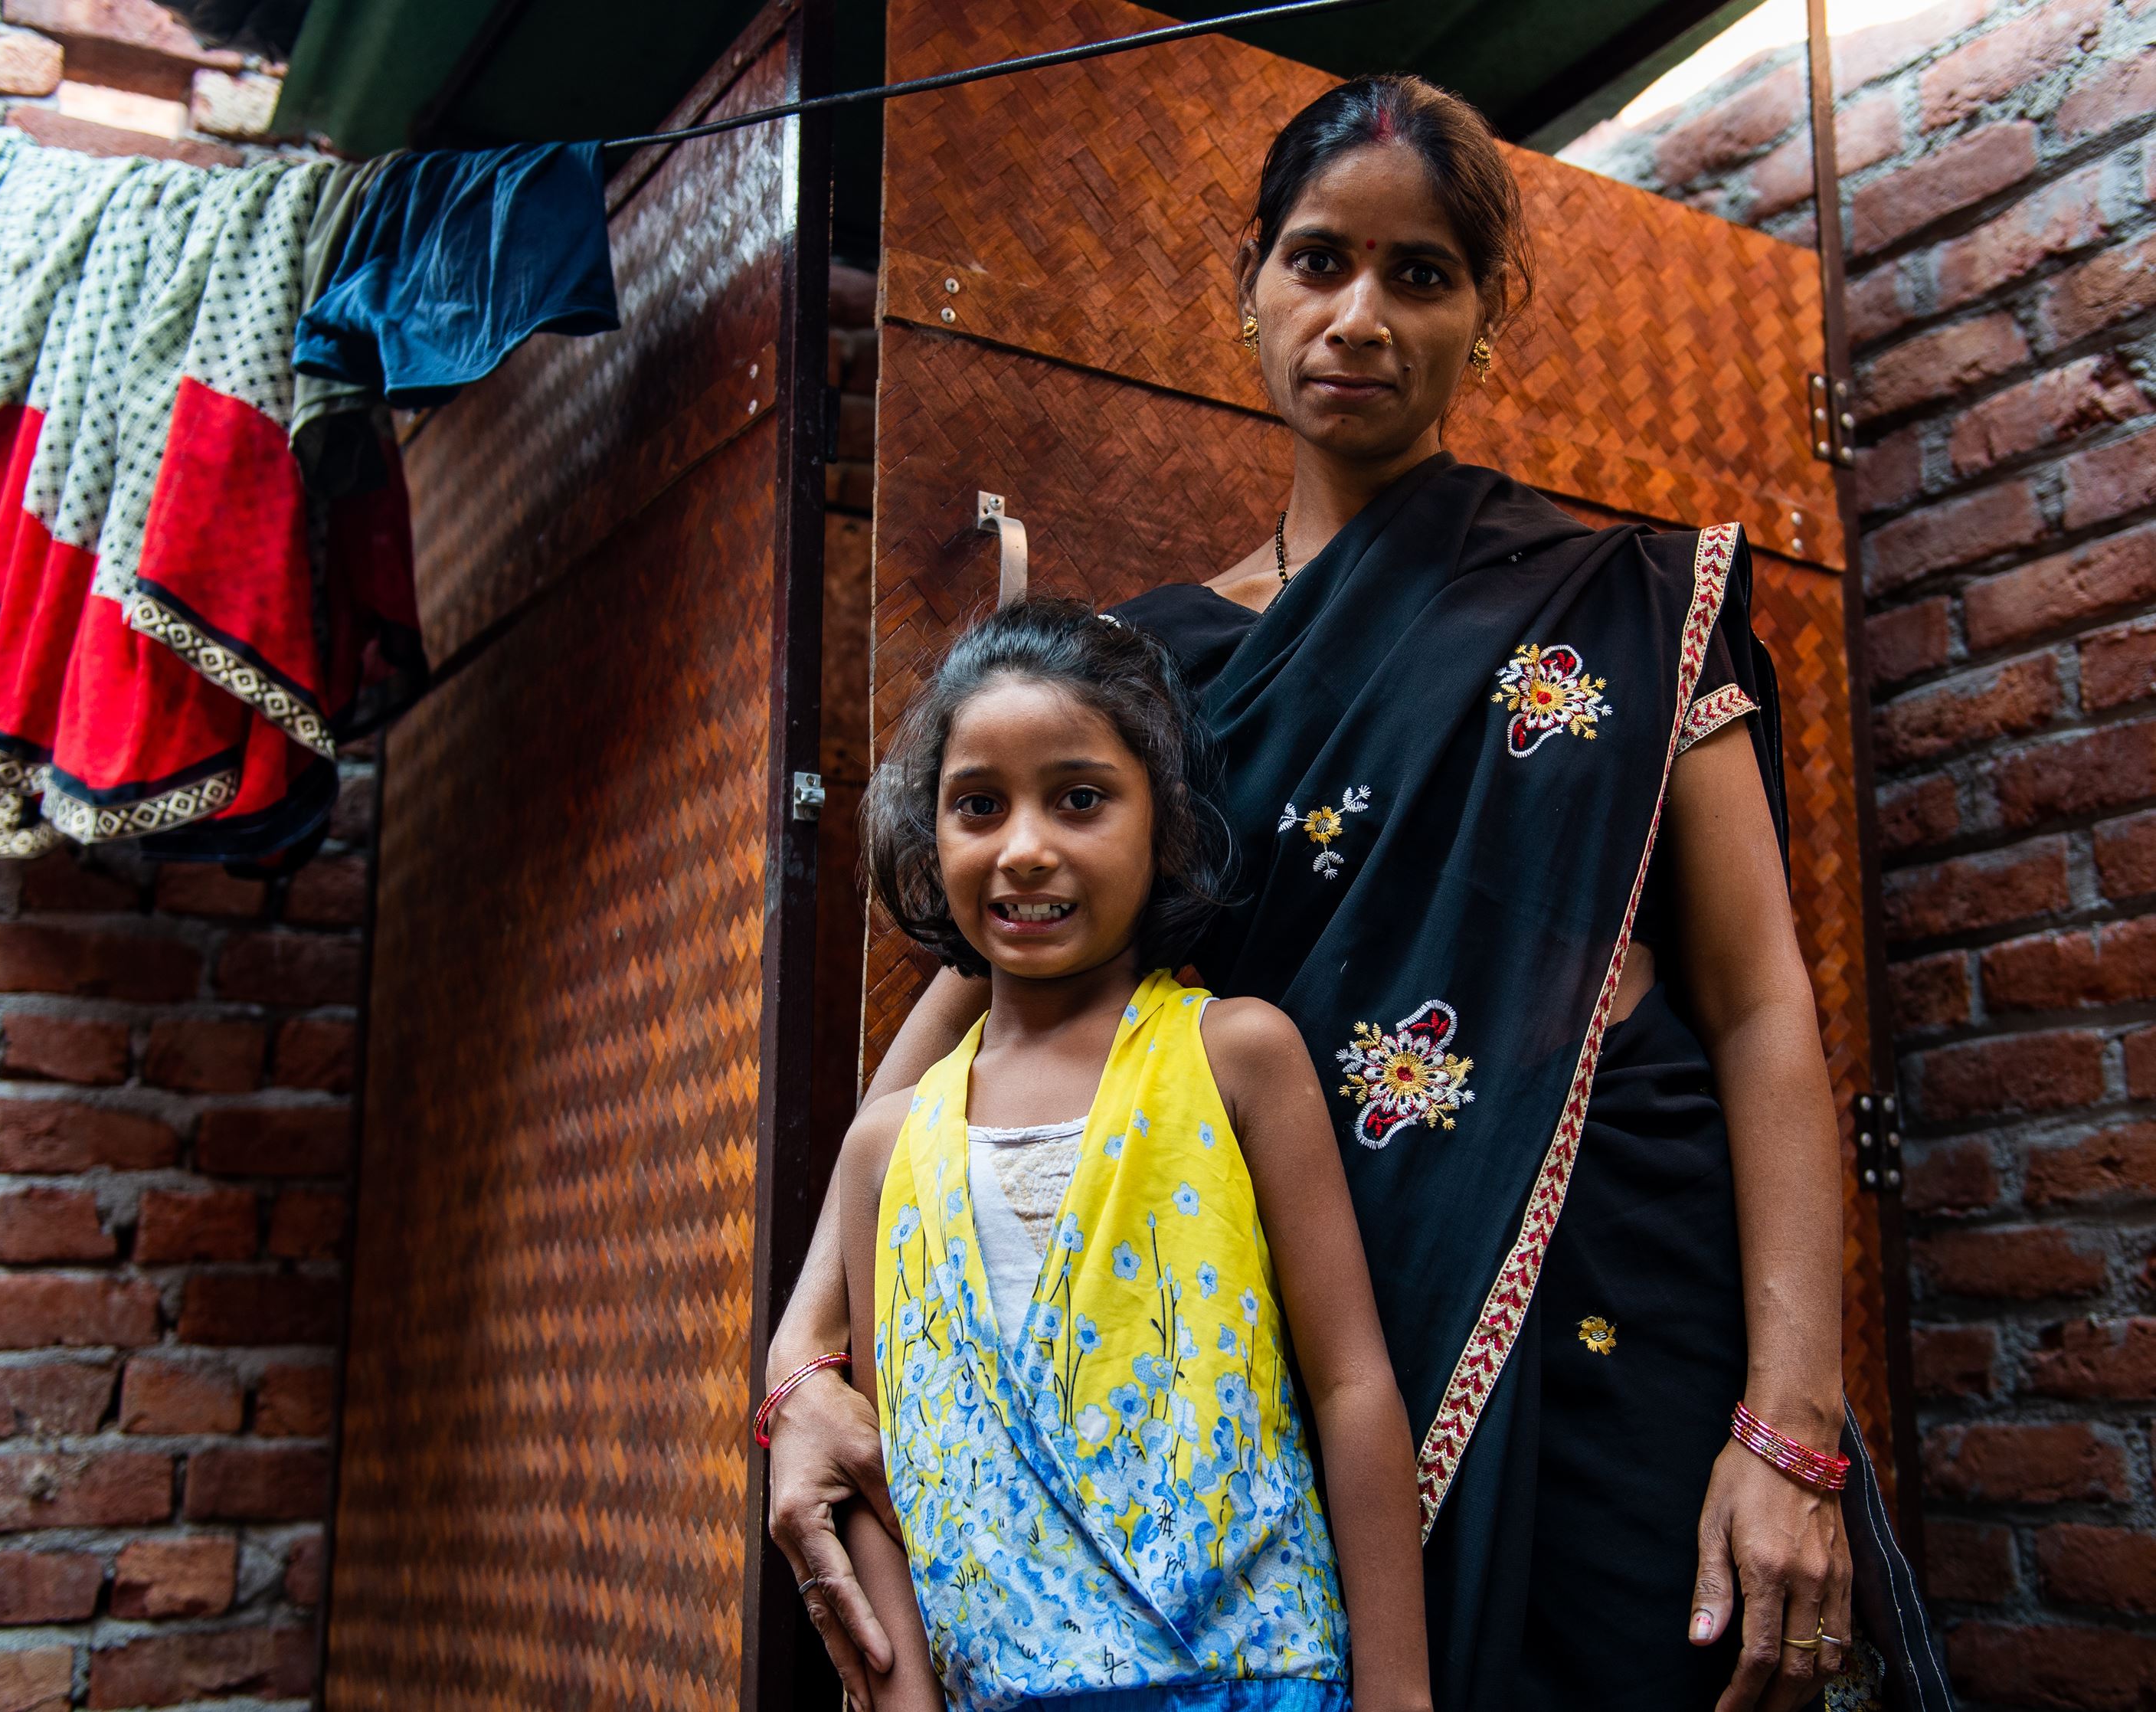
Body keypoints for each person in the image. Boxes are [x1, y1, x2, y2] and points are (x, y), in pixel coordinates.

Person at [766, 73, 1948, 1712]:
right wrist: (801, 1356)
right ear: (1250, 280)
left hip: (1610, 1310)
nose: (1361, 316)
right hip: (1278, 1345)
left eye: (1420, 274)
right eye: (1318, 261)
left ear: (1486, 311)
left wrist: (1793, 1422)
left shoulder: (1622, 599)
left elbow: (1759, 1008)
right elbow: (956, 1028)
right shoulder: (1146, 674)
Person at [815, 597, 1431, 1711]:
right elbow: (880, 1465)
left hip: (1255, 1678)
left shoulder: (1235, 1057)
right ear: (929, 836)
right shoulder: (883, 1148)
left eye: (1080, 799)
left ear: (1167, 824)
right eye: (977, 807)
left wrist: (1400, 1695)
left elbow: (1350, 1385)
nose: (1026, 848)